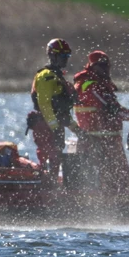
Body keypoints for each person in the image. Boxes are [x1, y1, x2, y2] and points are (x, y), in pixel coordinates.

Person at [73, 50, 129, 194]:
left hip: (107, 139)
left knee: (118, 175)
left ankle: (119, 201)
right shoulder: (90, 85)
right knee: (114, 176)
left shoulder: (99, 84)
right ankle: (119, 205)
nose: (105, 68)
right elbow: (112, 109)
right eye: (101, 65)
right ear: (92, 66)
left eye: (106, 65)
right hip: (98, 140)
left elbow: (113, 109)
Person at [28, 38, 77, 172]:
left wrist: (77, 130)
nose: (65, 59)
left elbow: (62, 112)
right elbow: (45, 105)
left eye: (67, 56)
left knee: (56, 160)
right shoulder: (46, 76)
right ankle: (46, 189)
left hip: (54, 125)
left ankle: (54, 187)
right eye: (62, 56)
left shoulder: (58, 77)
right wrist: (54, 127)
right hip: (45, 126)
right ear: (52, 55)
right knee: (50, 160)